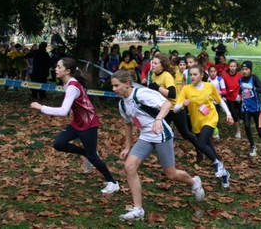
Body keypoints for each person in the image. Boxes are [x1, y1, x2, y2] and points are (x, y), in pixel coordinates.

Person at [112, 70, 205, 221]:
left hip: (161, 134)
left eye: (117, 86)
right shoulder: (122, 103)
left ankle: (194, 182)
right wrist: (128, 146)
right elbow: (128, 124)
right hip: (145, 137)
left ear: (127, 84)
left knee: (171, 174)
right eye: (113, 86)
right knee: (129, 167)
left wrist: (159, 119)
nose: (114, 89)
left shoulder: (141, 94)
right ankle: (138, 210)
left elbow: (167, 103)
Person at [30, 57, 120, 194]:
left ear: (67, 71)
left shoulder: (72, 86)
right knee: (59, 143)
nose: (56, 69)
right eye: (56, 66)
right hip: (77, 122)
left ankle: (112, 182)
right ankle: (87, 154)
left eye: (59, 67)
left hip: (88, 124)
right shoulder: (69, 83)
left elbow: (62, 111)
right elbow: (81, 100)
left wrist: (41, 107)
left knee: (93, 158)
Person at [174, 65, 234, 188]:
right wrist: (182, 105)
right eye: (191, 75)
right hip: (197, 123)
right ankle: (224, 174)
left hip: (210, 118)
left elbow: (220, 100)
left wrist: (228, 114)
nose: (192, 77)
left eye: (195, 74)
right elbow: (175, 109)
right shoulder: (186, 89)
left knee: (200, 144)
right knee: (210, 149)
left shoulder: (209, 86)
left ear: (202, 75)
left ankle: (216, 163)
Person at [239, 61, 261, 157]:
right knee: (246, 126)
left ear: (250, 70)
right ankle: (252, 146)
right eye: (243, 69)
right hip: (246, 107)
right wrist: (238, 96)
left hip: (256, 108)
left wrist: (253, 88)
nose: (244, 71)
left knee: (259, 129)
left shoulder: (254, 78)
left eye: (246, 69)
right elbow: (241, 90)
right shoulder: (241, 80)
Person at [222, 59, 242, 138]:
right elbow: (223, 88)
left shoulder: (240, 75)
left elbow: (243, 86)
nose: (233, 68)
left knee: (241, 114)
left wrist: (242, 95)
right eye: (231, 66)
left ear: (236, 67)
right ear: (228, 67)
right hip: (230, 98)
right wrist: (224, 95)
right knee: (234, 115)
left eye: (234, 66)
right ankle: (238, 131)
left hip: (239, 98)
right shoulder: (225, 77)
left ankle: (241, 118)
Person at [207, 65, 227, 140]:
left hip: (217, 101)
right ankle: (212, 130)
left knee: (216, 116)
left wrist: (218, 92)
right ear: (208, 72)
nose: (212, 73)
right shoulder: (207, 79)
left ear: (216, 72)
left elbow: (224, 91)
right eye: (211, 72)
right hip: (209, 101)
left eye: (214, 71)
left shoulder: (219, 79)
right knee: (209, 115)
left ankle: (216, 130)